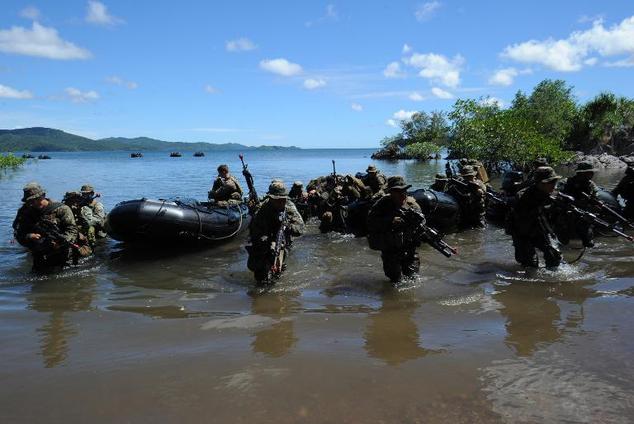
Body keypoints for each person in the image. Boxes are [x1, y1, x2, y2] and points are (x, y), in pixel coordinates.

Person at [12, 182, 81, 271]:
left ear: (43, 195)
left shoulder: (61, 209)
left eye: (37, 199)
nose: (34, 203)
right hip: (39, 255)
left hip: (64, 255)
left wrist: (60, 243)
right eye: (30, 201)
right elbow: (19, 234)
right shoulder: (26, 212)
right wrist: (29, 236)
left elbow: (72, 230)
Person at [246, 181, 304, 284]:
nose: (280, 202)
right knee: (258, 273)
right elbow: (254, 232)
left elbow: (300, 229)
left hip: (282, 241)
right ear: (270, 198)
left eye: (283, 199)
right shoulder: (262, 209)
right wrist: (263, 239)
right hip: (265, 241)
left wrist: (287, 226)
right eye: (277, 200)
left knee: (278, 270)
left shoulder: (289, 207)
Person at [367, 176, 422, 283]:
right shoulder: (381, 204)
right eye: (398, 191)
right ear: (391, 192)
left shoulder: (413, 205)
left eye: (404, 190)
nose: (402, 194)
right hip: (390, 249)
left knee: (413, 280)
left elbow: (422, 224)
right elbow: (370, 222)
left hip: (409, 249)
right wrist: (390, 221)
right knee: (394, 280)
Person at [508, 167, 562, 268]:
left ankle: (552, 280)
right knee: (530, 264)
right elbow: (521, 219)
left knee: (554, 255)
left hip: (541, 230)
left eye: (555, 181)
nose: (553, 185)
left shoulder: (553, 195)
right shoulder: (523, 197)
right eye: (550, 182)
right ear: (539, 183)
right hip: (522, 232)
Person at [560, 162, 599, 247]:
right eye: (589, 172)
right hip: (566, 212)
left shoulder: (590, 185)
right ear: (581, 173)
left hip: (583, 213)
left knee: (588, 241)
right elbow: (557, 196)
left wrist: (594, 205)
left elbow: (595, 198)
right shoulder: (566, 182)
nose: (592, 174)